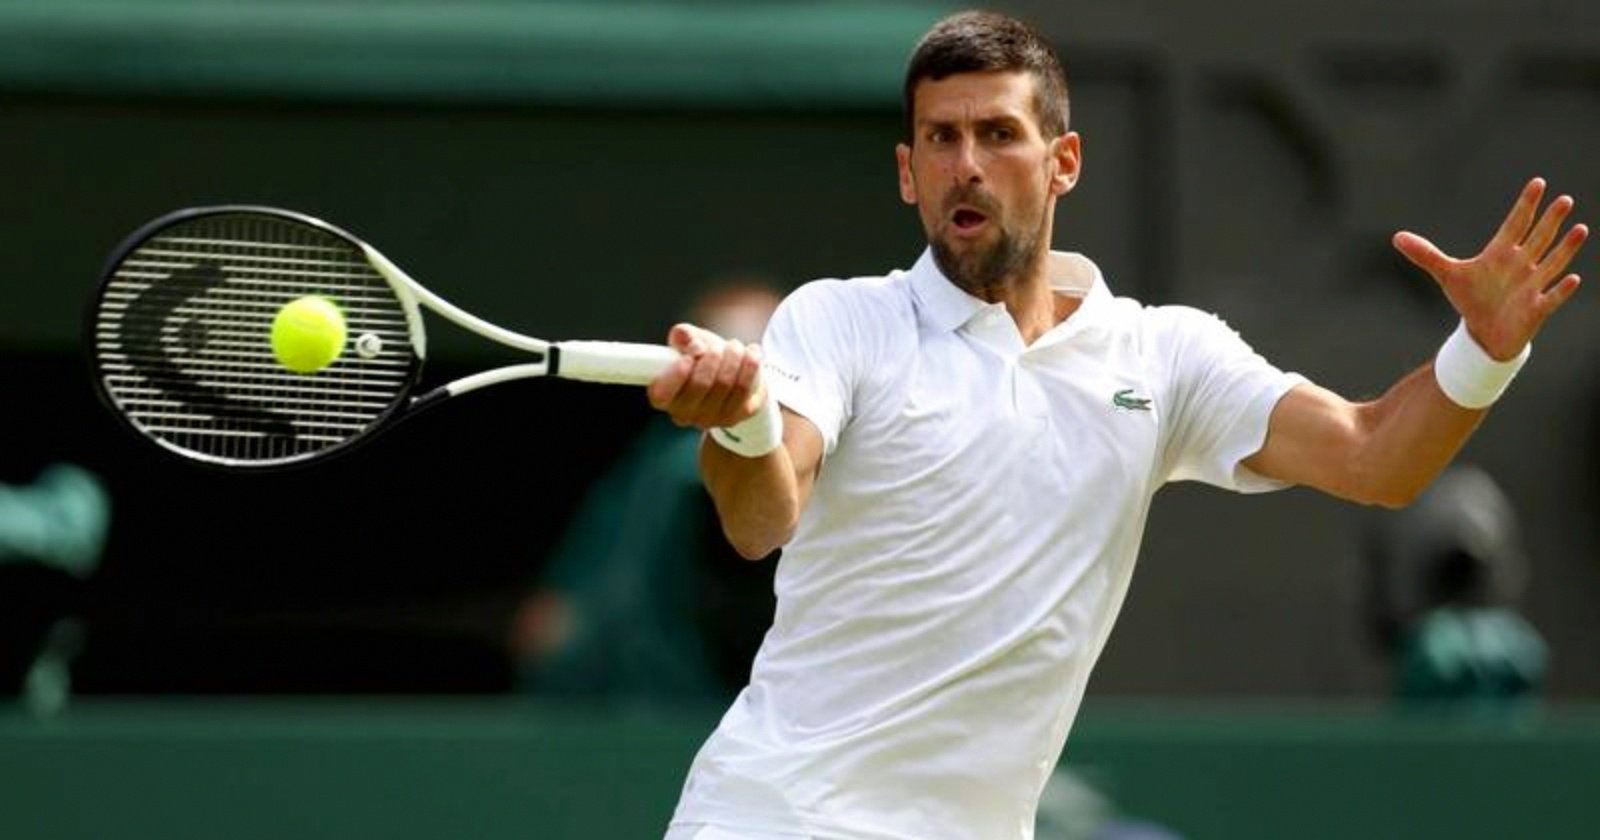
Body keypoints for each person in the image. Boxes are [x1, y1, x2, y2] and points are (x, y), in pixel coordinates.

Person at [644, 11, 1588, 839]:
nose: (965, 165)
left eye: (997, 134)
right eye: (940, 139)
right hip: (778, 820)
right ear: (907, 171)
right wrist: (742, 428)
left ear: (1064, 162)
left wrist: (1483, 351)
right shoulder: (839, 319)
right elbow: (761, 519)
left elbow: (1376, 457)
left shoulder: (1161, 357)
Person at [509, 279, 783, 706]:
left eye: (750, 354)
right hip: (634, 708)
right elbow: (553, 616)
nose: (726, 373)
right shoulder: (660, 463)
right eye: (716, 349)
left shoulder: (817, 451)